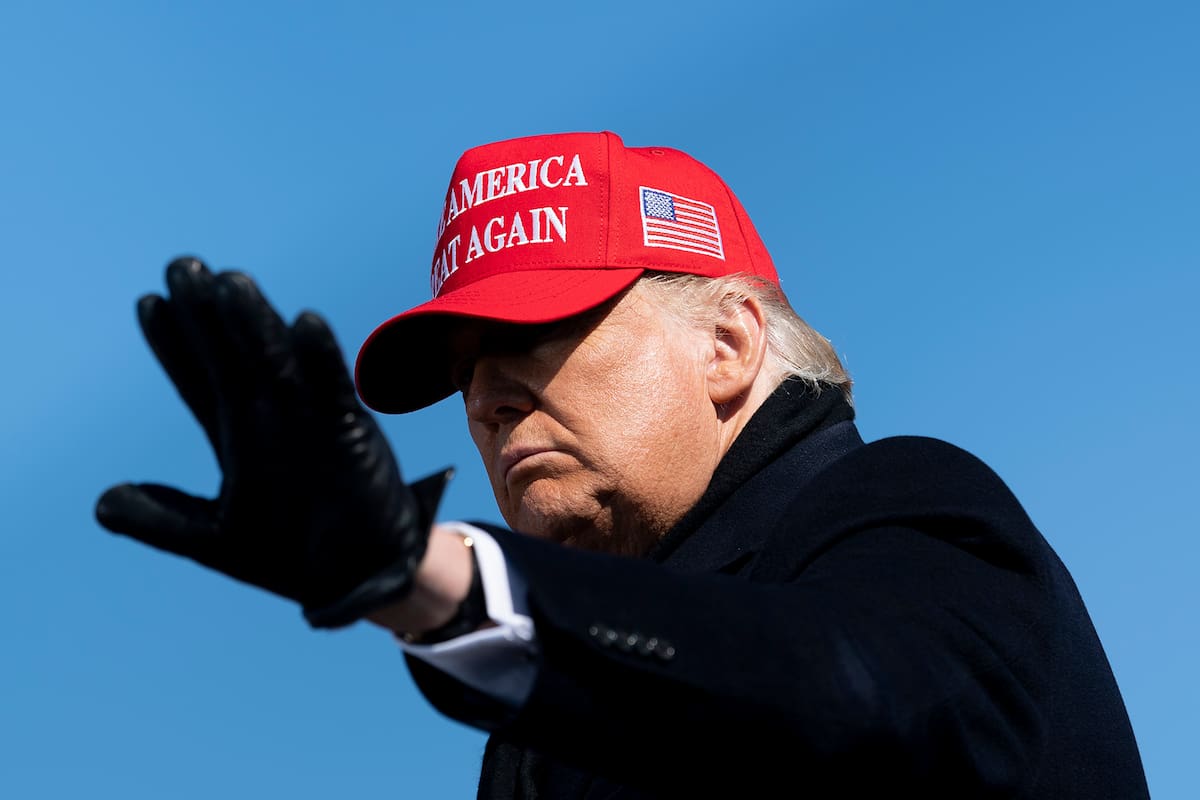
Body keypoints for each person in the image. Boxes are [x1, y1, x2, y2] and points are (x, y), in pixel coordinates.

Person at [96, 131, 1150, 798]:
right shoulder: (547, 715)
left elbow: (861, 696)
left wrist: (433, 578)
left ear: (729, 345)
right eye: (462, 370)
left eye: (539, 331)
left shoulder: (901, 503)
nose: (487, 395)